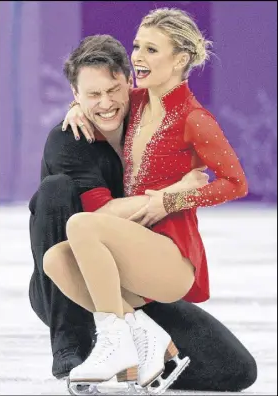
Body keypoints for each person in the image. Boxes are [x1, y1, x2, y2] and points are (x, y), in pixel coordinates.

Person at [41, 7, 255, 392]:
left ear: (180, 59)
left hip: (172, 255)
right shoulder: (136, 103)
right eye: (137, 46)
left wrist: (172, 202)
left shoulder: (194, 118)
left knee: (80, 225)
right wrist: (78, 105)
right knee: (56, 259)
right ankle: (147, 338)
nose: (137, 56)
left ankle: (114, 340)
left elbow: (234, 183)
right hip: (134, 249)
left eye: (152, 50)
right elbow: (103, 97)